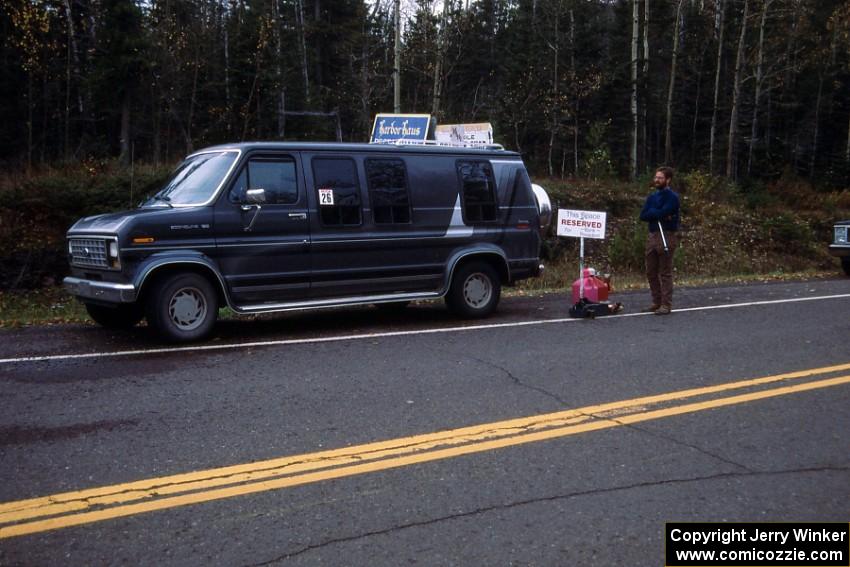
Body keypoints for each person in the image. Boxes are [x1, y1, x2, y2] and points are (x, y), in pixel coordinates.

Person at [639, 166, 680, 315]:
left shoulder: (673, 197)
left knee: (665, 272)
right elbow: (643, 215)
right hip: (652, 235)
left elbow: (666, 211)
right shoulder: (652, 197)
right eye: (656, 177)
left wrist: (656, 213)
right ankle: (656, 301)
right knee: (650, 271)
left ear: (667, 180)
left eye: (660, 178)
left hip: (666, 235)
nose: (656, 180)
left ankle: (666, 304)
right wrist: (658, 213)